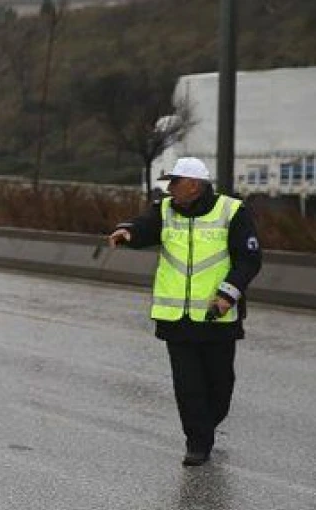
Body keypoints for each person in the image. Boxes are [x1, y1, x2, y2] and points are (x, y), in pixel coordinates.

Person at [108, 157, 262, 466]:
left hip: (216, 315)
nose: (170, 188)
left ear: (194, 185)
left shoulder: (232, 211)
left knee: (220, 385)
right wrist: (128, 233)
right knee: (187, 384)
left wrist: (227, 294)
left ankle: (207, 424)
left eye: (175, 182)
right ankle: (197, 443)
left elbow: (249, 259)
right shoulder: (164, 210)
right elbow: (143, 228)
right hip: (176, 319)